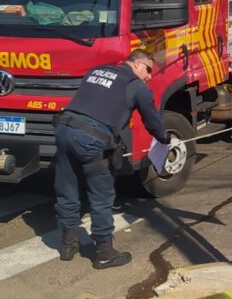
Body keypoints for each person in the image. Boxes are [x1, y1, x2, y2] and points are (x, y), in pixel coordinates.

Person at [53, 49, 170, 268]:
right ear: (136, 64)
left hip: (64, 129)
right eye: (148, 69)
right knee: (101, 197)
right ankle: (104, 253)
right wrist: (164, 137)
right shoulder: (136, 86)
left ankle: (68, 246)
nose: (149, 76)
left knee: (67, 190)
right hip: (92, 140)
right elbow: (152, 119)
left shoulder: (97, 71)